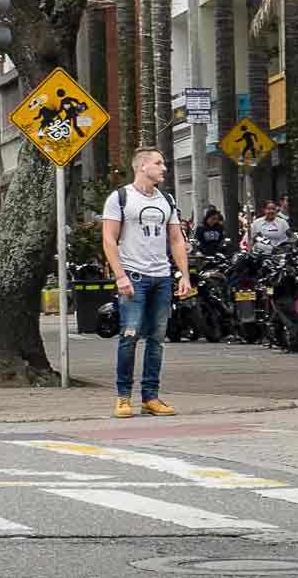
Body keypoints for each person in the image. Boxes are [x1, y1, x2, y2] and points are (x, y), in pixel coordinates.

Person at [102, 147, 191, 418]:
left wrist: (183, 275)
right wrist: (120, 276)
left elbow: (176, 239)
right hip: (134, 278)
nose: (164, 168)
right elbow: (109, 239)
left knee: (157, 339)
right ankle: (123, 397)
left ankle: (150, 396)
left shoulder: (166, 199)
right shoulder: (120, 198)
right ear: (142, 166)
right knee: (129, 337)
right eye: (158, 163)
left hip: (162, 278)